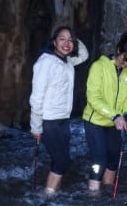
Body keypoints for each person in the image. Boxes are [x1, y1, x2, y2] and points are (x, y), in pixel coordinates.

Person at [29, 25, 89, 196]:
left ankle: (54, 192)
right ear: (54, 42)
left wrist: (74, 37)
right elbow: (36, 96)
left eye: (70, 40)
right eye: (62, 39)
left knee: (60, 159)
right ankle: (48, 196)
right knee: (62, 160)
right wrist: (36, 126)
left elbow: (84, 55)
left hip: (63, 119)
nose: (67, 43)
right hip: (48, 120)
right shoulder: (45, 62)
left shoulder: (67, 61)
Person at [82, 32, 127, 194]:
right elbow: (93, 97)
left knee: (113, 159)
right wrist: (115, 116)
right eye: (126, 58)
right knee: (99, 161)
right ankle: (93, 194)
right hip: (95, 121)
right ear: (118, 50)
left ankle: (108, 194)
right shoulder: (98, 67)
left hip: (116, 123)